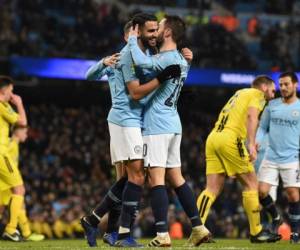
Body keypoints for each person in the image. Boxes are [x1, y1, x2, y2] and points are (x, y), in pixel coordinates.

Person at [81, 13, 180, 247]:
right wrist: (102, 63)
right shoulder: (122, 58)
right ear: (131, 34)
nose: (155, 34)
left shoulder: (144, 56)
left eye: (157, 30)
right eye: (150, 30)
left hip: (133, 120)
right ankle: (113, 230)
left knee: (128, 178)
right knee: (134, 177)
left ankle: (100, 224)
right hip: (125, 120)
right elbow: (134, 91)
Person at [127, 15, 211, 247]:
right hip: (174, 124)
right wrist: (190, 61)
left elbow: (142, 63)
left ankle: (162, 234)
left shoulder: (164, 59)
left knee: (156, 178)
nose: (155, 32)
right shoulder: (181, 60)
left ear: (166, 33)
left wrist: (133, 40)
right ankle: (198, 227)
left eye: (159, 27)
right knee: (176, 177)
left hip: (157, 125)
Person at [196, 75, 282, 243]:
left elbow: (237, 119)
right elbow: (252, 117)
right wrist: (250, 144)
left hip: (214, 138)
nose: (274, 93)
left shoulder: (240, 93)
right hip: (230, 139)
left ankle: (197, 228)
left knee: (211, 189)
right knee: (251, 184)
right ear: (264, 87)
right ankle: (257, 232)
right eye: (273, 89)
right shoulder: (258, 95)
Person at [256, 72, 300, 243]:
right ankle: (276, 217)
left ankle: (295, 233)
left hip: (292, 158)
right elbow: (262, 127)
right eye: (280, 85)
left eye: (286, 84)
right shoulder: (272, 105)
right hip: (271, 156)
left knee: (293, 195)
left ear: (295, 85)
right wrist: (257, 141)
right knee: (261, 192)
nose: (282, 87)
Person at [0, 125, 45, 241]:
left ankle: (26, 233)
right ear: (16, 132)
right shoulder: (10, 144)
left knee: (19, 203)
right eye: (24, 132)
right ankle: (20, 231)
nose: (26, 135)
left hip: (6, 181)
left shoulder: (14, 144)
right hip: (4, 181)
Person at [0, 76, 27, 241]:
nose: (12, 93)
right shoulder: (2, 106)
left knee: (2, 201)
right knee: (19, 189)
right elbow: (23, 122)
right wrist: (19, 103)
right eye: (10, 90)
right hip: (1, 153)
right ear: (3, 90)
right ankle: (10, 229)